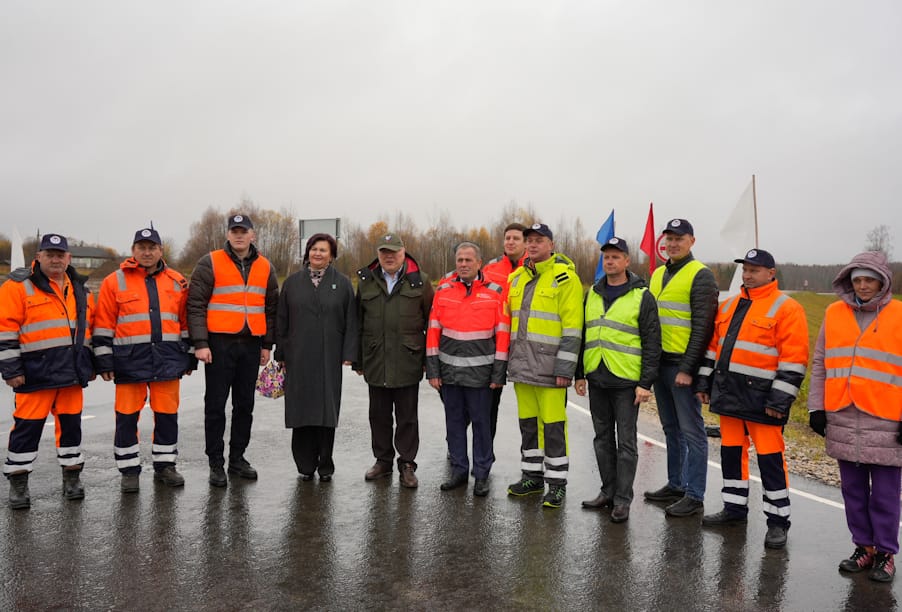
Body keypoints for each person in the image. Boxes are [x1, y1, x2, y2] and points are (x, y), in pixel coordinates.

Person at [696, 249, 808, 549]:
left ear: (771, 273)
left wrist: (779, 402)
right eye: (745, 269)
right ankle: (734, 509)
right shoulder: (729, 305)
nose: (747, 275)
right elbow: (713, 348)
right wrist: (704, 383)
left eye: (754, 270)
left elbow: (794, 361)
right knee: (731, 454)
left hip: (763, 401)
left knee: (771, 461)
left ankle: (778, 522)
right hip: (729, 395)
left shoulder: (787, 308)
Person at [808, 250, 902, 582]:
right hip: (843, 415)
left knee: (886, 495)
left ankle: (886, 553)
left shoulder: (899, 314)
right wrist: (816, 407)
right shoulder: (834, 313)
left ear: (883, 282)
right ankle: (864, 547)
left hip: (887, 419)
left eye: (869, 280)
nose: (862, 286)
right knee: (853, 490)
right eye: (857, 279)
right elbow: (820, 362)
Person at [93, 228, 195, 493]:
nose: (147, 252)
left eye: (152, 248)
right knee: (126, 417)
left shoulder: (177, 281)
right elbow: (103, 324)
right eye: (142, 247)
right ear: (133, 250)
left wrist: (189, 357)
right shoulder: (114, 282)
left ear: (161, 250)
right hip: (129, 362)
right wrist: (104, 361)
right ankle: (129, 471)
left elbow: (185, 323)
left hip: (168, 360)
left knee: (167, 415)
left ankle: (165, 466)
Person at [0, 234, 95, 509]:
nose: (55, 259)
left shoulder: (80, 289)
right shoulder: (17, 287)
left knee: (71, 429)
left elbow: (88, 330)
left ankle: (72, 478)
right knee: (26, 429)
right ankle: (18, 482)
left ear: (68, 258)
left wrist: (89, 365)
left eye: (60, 255)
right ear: (38, 256)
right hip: (34, 374)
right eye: (49, 254)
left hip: (71, 375)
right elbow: (5, 330)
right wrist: (11, 369)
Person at [188, 214, 279, 487]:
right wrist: (201, 343)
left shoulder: (265, 266)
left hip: (251, 344)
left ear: (252, 235)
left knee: (244, 405)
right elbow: (195, 304)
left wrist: (267, 345)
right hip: (219, 344)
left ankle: (237, 459)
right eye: (234, 231)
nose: (239, 235)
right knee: (215, 405)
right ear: (227, 234)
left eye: (244, 231)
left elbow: (271, 308)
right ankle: (216, 463)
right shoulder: (210, 262)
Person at [575, 237, 661, 523]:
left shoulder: (642, 296)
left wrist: (645, 383)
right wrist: (579, 373)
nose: (610, 261)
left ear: (627, 261)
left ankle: (623, 499)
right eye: (606, 257)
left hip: (626, 380)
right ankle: (608, 492)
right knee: (602, 439)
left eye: (615, 256)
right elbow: (583, 334)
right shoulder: (592, 293)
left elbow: (652, 342)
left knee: (626, 443)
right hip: (597, 376)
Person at [505, 223, 583, 508]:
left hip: (550, 370)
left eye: (539, 240)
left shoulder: (565, 279)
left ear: (551, 244)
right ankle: (532, 477)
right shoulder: (516, 278)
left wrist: (565, 369)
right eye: (530, 240)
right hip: (521, 368)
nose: (533, 245)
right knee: (528, 425)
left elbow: (573, 328)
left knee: (553, 427)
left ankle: (557, 484)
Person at [643, 218, 718, 517]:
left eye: (679, 239)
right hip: (659, 363)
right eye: (669, 239)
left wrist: (688, 369)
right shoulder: (658, 274)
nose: (673, 244)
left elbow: (703, 327)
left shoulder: (701, 275)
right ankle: (676, 484)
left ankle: (695, 494)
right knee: (670, 428)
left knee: (692, 431)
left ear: (691, 241)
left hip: (682, 367)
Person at [427, 242, 509, 497]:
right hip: (450, 373)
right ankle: (459, 471)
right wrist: (433, 371)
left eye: (468, 260)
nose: (463, 264)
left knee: (482, 426)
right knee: (454, 424)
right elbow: (433, 332)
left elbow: (503, 335)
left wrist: (498, 373)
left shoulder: (495, 293)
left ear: (479, 263)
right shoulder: (443, 291)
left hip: (481, 376)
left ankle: (482, 474)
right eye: (460, 260)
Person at [275, 233, 358, 482]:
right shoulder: (292, 283)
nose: (317, 253)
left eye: (323, 250)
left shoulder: (342, 284)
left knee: (326, 411)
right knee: (301, 410)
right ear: (307, 252)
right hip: (297, 356)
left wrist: (349, 353)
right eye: (314, 249)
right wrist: (281, 352)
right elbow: (282, 320)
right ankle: (305, 464)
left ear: (331, 256)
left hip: (329, 357)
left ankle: (325, 463)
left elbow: (352, 321)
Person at [354, 232, 434, 488]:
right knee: (378, 415)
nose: (389, 256)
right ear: (378, 254)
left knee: (407, 417)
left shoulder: (420, 281)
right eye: (384, 252)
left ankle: (407, 463)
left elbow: (431, 323)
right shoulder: (366, 282)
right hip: (376, 359)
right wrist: (358, 360)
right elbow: (358, 322)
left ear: (403, 252)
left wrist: (429, 360)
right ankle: (383, 461)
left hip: (408, 359)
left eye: (394, 252)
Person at [480, 222, 527, 443]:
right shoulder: (491, 269)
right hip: (494, 343)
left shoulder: (534, 267)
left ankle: (534, 457)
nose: (510, 242)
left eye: (516, 238)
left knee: (529, 405)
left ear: (525, 243)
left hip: (523, 344)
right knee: (487, 403)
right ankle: (484, 451)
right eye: (507, 238)